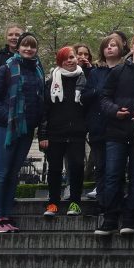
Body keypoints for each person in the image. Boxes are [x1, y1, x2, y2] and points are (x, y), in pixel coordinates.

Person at [96, 32, 134, 236]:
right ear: (131, 47)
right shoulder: (118, 71)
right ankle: (110, 217)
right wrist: (115, 110)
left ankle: (130, 218)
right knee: (113, 174)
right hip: (116, 131)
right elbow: (104, 98)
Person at [0, 32, 44, 233]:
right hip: (6, 128)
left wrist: (35, 120)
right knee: (1, 173)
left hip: (26, 129)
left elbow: (39, 99)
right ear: (18, 47)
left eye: (32, 46)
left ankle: (6, 215)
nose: (28, 49)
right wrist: (7, 117)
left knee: (13, 174)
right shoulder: (7, 67)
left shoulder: (38, 69)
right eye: (25, 45)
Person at [39, 46, 88, 218]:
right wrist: (43, 135)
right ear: (60, 61)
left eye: (72, 57)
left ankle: (75, 202)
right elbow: (44, 110)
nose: (69, 60)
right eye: (65, 58)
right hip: (55, 132)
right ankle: (53, 202)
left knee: (77, 167)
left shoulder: (84, 79)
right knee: (54, 169)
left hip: (77, 132)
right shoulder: (51, 81)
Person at [82, 35, 123, 201]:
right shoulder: (95, 73)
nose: (110, 48)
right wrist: (97, 92)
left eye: (113, 45)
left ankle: (115, 200)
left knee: (116, 167)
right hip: (98, 125)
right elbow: (84, 96)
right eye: (107, 46)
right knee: (101, 166)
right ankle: (102, 200)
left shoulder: (124, 70)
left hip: (118, 125)